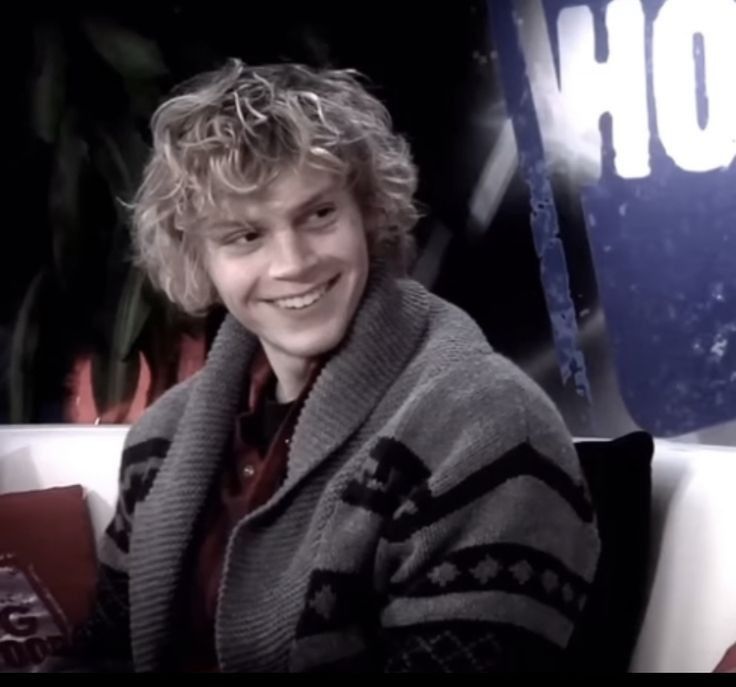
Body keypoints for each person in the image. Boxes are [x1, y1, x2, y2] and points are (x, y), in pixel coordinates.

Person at [51, 59, 600, 672]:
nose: (293, 263)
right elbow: (97, 655)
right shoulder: (163, 439)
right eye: (244, 236)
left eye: (318, 215)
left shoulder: (491, 427)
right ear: (198, 259)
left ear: (366, 213)